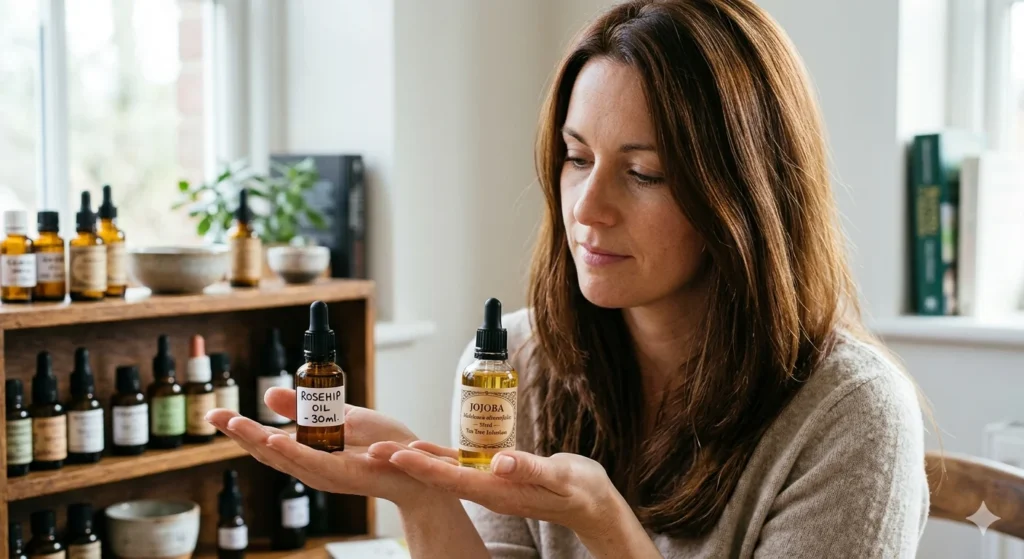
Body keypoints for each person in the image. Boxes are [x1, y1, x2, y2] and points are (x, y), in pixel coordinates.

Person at [207, 0, 931, 557]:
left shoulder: (852, 417)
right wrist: (421, 497)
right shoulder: (514, 363)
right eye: (577, 157)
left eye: (644, 172)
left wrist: (607, 525)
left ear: (743, 195)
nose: (587, 207)